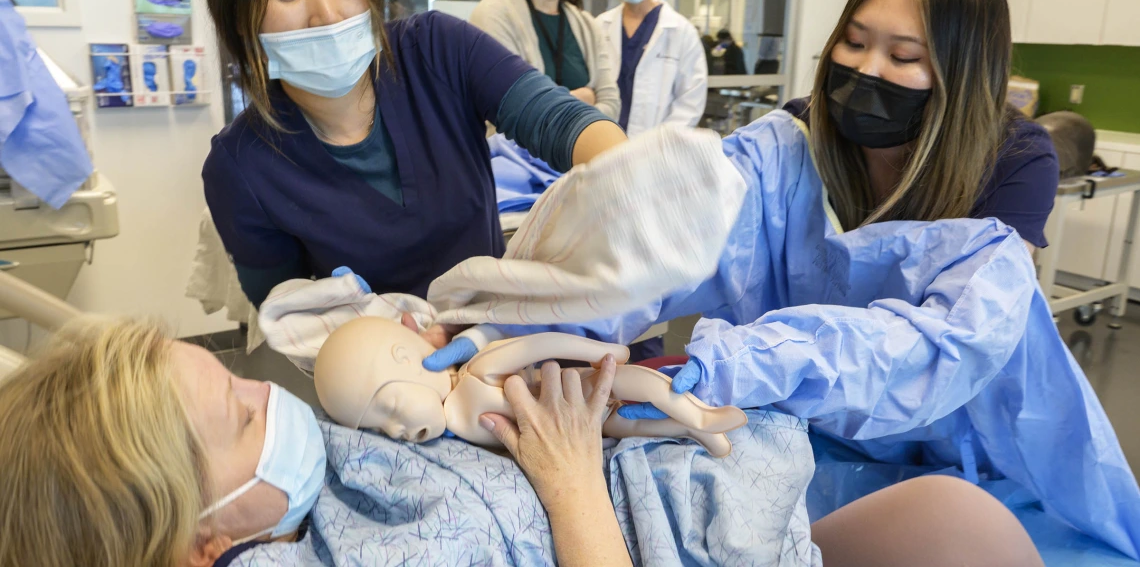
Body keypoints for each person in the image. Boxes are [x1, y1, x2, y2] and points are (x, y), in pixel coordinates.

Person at [426, 0, 1140, 558]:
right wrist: (523, 322)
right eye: (854, 41)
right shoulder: (789, 145)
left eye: (904, 56)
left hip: (950, 434)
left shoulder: (1013, 160)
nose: (866, 68)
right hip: (794, 427)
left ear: (961, 72)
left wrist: (730, 362)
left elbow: (949, 343)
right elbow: (669, 242)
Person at [0, 316, 1045, 567]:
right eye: (238, 414)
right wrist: (571, 478)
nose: (267, 400)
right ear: (196, 539)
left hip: (653, 496)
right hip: (617, 528)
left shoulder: (309, 484)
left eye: (238, 375)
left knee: (958, 519)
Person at [200, 0, 627, 310]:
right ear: (239, 12)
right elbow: (288, 315)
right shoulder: (242, 167)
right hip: (380, 378)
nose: (328, 14)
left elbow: (561, 121)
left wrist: (642, 179)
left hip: (501, 338)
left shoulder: (437, 49)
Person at [470, 0, 620, 119]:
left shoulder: (587, 25)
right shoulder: (494, 14)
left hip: (582, 150)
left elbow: (612, 106)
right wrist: (584, 98)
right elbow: (511, 112)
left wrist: (550, 107)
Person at [595, 0, 707, 137]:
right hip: (602, 139)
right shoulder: (600, 26)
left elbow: (690, 101)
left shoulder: (681, 31)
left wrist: (658, 144)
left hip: (655, 148)